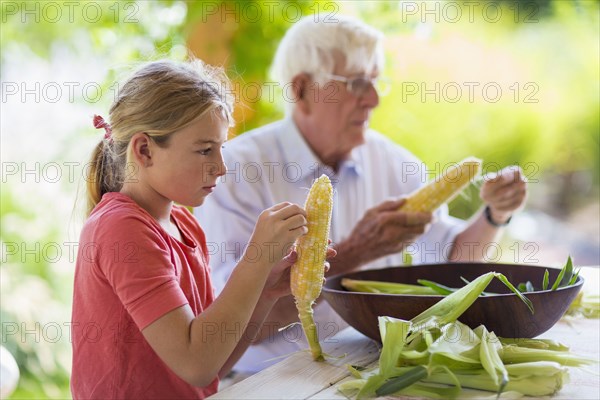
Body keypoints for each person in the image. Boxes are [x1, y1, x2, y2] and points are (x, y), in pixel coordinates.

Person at [195, 15, 527, 375]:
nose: (373, 99)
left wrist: (495, 214)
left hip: (378, 368)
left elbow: (454, 258)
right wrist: (359, 251)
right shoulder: (235, 172)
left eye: (374, 82)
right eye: (356, 83)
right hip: (272, 378)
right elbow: (236, 327)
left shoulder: (395, 162)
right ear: (303, 89)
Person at [70, 58, 330, 399]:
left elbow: (212, 364)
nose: (221, 167)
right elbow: (196, 363)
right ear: (145, 150)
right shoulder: (121, 228)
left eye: (221, 148)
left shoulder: (185, 225)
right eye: (205, 150)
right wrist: (256, 258)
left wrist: (265, 291)